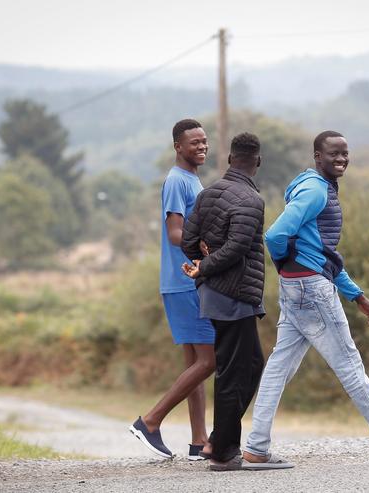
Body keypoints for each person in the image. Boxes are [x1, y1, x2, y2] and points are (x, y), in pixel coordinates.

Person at [241, 130, 369, 470]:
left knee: (279, 366)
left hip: (297, 288)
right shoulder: (316, 190)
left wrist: (357, 296)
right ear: (317, 156)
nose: (341, 158)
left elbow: (323, 255)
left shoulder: (314, 186)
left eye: (345, 153)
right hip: (310, 290)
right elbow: (274, 235)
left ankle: (256, 446)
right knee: (349, 364)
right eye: (334, 154)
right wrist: (286, 262)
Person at [129, 119, 215, 461]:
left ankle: (198, 442)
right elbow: (175, 233)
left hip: (186, 280)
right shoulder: (177, 180)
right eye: (194, 142)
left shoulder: (192, 179)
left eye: (205, 141)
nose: (202, 146)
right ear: (178, 147)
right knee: (211, 360)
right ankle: (150, 421)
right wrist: (209, 248)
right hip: (184, 281)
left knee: (195, 362)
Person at [181, 132, 266, 472]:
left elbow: (188, 240)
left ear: (231, 159)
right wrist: (210, 264)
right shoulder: (251, 200)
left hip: (213, 294)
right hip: (234, 296)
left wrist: (202, 262)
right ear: (256, 162)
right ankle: (222, 452)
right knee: (234, 373)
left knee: (253, 365)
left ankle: (219, 438)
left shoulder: (208, 193)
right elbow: (237, 248)